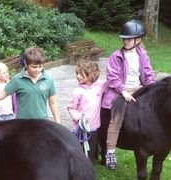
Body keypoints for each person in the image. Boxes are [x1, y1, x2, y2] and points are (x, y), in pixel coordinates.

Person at [101, 20, 156, 170]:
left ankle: (159, 139)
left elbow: (148, 73)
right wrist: (123, 91)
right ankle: (110, 151)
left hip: (138, 89)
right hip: (119, 90)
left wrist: (153, 86)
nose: (125, 41)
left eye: (129, 38)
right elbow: (112, 77)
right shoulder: (116, 56)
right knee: (116, 118)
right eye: (123, 38)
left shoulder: (142, 55)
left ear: (138, 39)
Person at [0, 47, 61, 123]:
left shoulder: (48, 80)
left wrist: (58, 123)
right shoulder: (17, 79)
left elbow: (53, 102)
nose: (37, 70)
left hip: (42, 123)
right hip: (22, 124)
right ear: (26, 63)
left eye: (40, 66)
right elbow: (2, 93)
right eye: (34, 67)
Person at [67, 60, 106, 162]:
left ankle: (90, 166)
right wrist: (79, 117)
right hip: (80, 129)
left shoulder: (100, 86)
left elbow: (113, 82)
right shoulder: (78, 91)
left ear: (91, 75)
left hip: (94, 129)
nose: (78, 76)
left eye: (81, 74)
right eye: (77, 73)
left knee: (90, 155)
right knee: (78, 155)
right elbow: (71, 108)